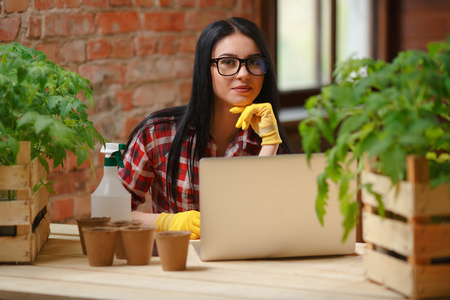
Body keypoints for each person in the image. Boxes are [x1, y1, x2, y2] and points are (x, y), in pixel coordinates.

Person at [119, 17, 294, 239]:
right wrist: (167, 222)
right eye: (228, 62)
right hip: (177, 265)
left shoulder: (267, 138)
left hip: (247, 267)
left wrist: (270, 143)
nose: (244, 74)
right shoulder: (156, 133)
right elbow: (111, 212)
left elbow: (273, 219)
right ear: (205, 68)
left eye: (254, 62)